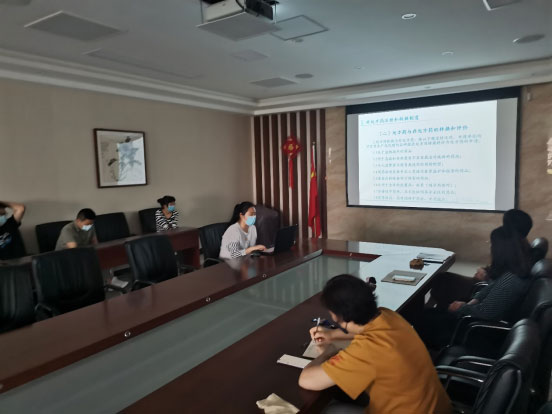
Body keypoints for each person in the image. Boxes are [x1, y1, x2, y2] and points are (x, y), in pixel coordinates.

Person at [298, 274, 451, 414]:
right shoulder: (388, 315)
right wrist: (331, 334)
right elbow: (363, 330)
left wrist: (327, 353)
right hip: (436, 407)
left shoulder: (367, 350)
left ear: (338, 316)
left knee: (331, 410)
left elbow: (306, 380)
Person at [418, 226, 531, 350]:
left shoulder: (510, 280)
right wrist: (473, 301)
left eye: (492, 244)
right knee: (430, 314)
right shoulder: (513, 271)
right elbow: (489, 289)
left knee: (425, 319)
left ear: (501, 250)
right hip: (476, 321)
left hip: (478, 332)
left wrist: (461, 307)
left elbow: (486, 313)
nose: (490, 247)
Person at [429, 208, 533, 308]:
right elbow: (502, 267)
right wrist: (486, 270)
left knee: (443, 282)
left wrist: (486, 275)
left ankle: (435, 311)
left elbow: (499, 279)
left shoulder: (510, 245)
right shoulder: (519, 245)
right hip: (486, 286)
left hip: (484, 286)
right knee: (442, 279)